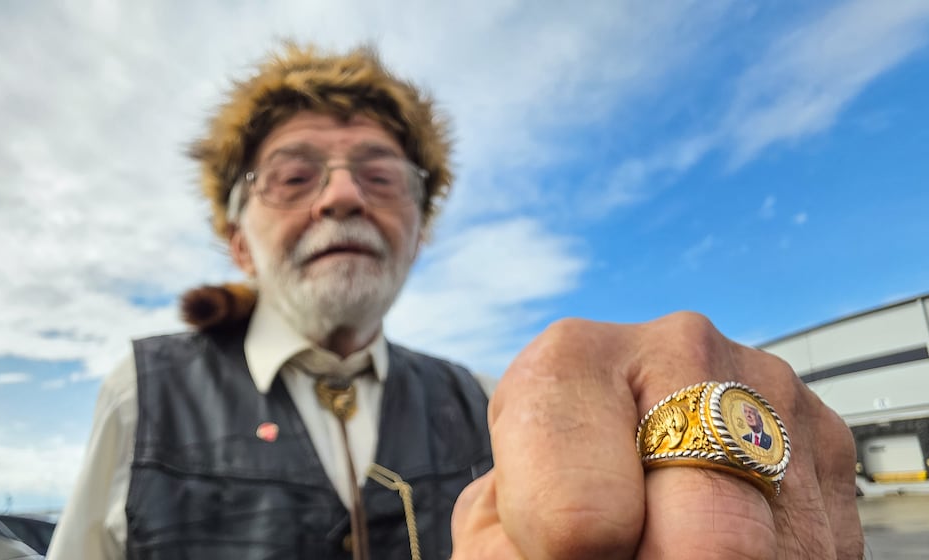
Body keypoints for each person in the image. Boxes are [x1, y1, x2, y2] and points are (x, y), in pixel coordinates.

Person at [48, 43, 863, 560]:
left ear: (418, 231)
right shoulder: (141, 389)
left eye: (380, 176)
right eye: (294, 176)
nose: (342, 197)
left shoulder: (477, 398)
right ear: (237, 241)